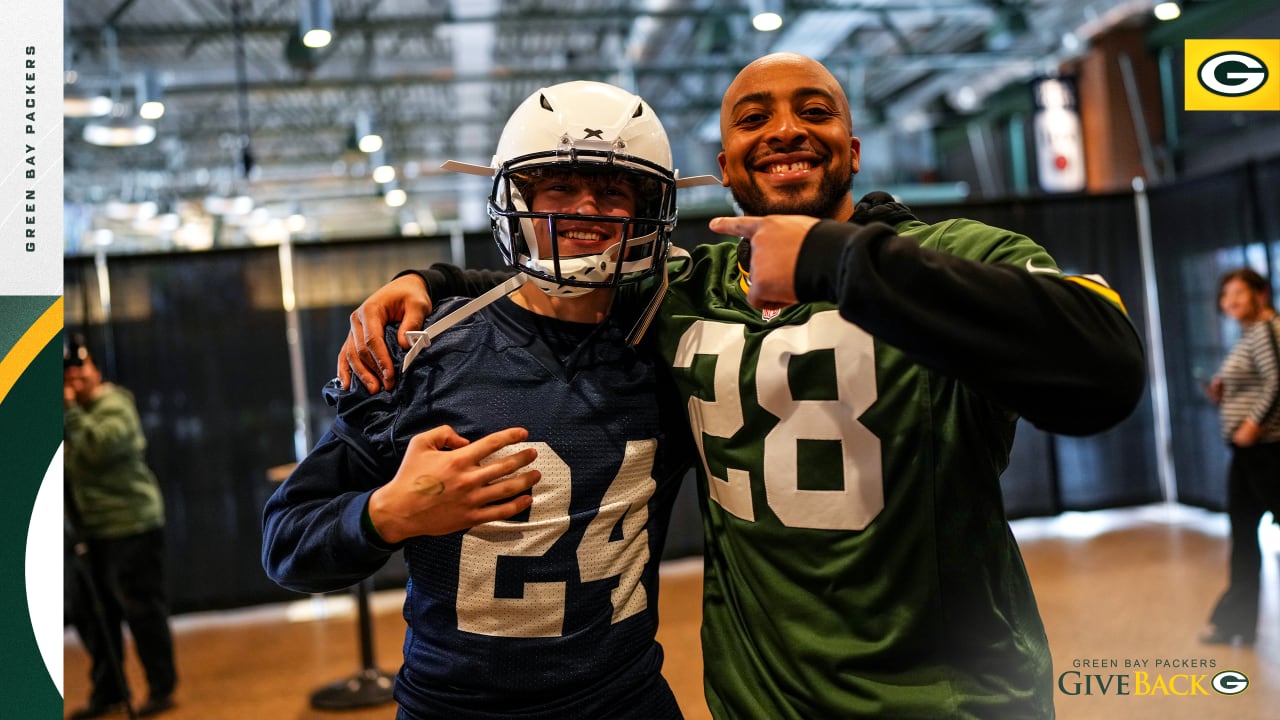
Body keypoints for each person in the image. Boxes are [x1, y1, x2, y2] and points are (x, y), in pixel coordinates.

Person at [337, 53, 1147, 718]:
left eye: (816, 110)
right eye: (754, 118)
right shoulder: (684, 287)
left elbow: (1106, 369)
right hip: (758, 701)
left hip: (952, 698)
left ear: (855, 149)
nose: (786, 128)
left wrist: (839, 258)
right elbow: (563, 272)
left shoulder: (950, 252)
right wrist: (431, 280)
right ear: (725, 167)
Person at [262, 81, 700, 719]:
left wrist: (433, 276)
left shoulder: (668, 340)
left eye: (612, 190)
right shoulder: (428, 349)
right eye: (557, 185)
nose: (585, 207)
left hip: (624, 702)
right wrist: (387, 513)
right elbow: (285, 545)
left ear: (650, 208)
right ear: (517, 199)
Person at [64, 337, 178, 719]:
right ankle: (109, 690)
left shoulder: (114, 405)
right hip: (89, 533)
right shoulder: (69, 415)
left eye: (82, 368)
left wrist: (70, 412)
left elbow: (99, 448)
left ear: (96, 369)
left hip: (132, 526)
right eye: (69, 372)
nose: (76, 377)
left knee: (142, 610)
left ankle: (162, 688)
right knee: (93, 616)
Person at [1200, 267, 1280, 647]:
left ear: (1261, 294)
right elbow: (1260, 381)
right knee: (1244, 535)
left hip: (1267, 452)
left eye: (1238, 292)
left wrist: (1253, 422)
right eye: (1224, 294)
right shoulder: (1251, 334)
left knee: (1247, 534)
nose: (1228, 301)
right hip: (1248, 454)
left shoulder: (1267, 329)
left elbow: (1278, 382)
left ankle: (1236, 623)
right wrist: (1224, 391)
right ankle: (1237, 623)